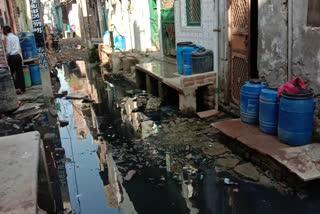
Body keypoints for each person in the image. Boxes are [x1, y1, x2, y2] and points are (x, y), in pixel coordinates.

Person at [3, 26, 25, 94]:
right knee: (20, 73)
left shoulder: (8, 38)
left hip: (12, 57)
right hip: (18, 56)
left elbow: (9, 50)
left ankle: (17, 88)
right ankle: (22, 89)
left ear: (5, 31)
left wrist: (6, 55)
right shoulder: (16, 37)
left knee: (12, 73)